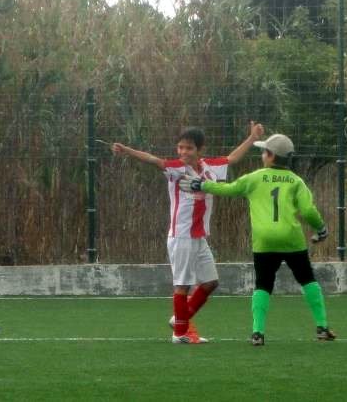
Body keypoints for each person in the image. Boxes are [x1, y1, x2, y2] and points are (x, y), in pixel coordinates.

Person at [112, 122, 264, 343]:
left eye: (189, 148)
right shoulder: (176, 169)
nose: (183, 152)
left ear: (200, 150)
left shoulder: (210, 167)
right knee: (182, 285)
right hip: (181, 235)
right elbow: (153, 160)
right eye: (180, 147)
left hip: (199, 236)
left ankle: (179, 320)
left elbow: (232, 158)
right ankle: (180, 333)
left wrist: (252, 138)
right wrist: (126, 150)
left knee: (210, 282)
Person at [179, 133, 336, 346]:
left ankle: (257, 332)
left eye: (264, 152)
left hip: (264, 241)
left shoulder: (255, 178)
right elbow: (308, 210)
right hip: (292, 239)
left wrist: (202, 185)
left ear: (270, 156)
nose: (262, 155)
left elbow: (228, 189)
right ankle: (322, 327)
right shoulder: (296, 181)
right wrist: (321, 229)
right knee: (307, 279)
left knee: (263, 284)